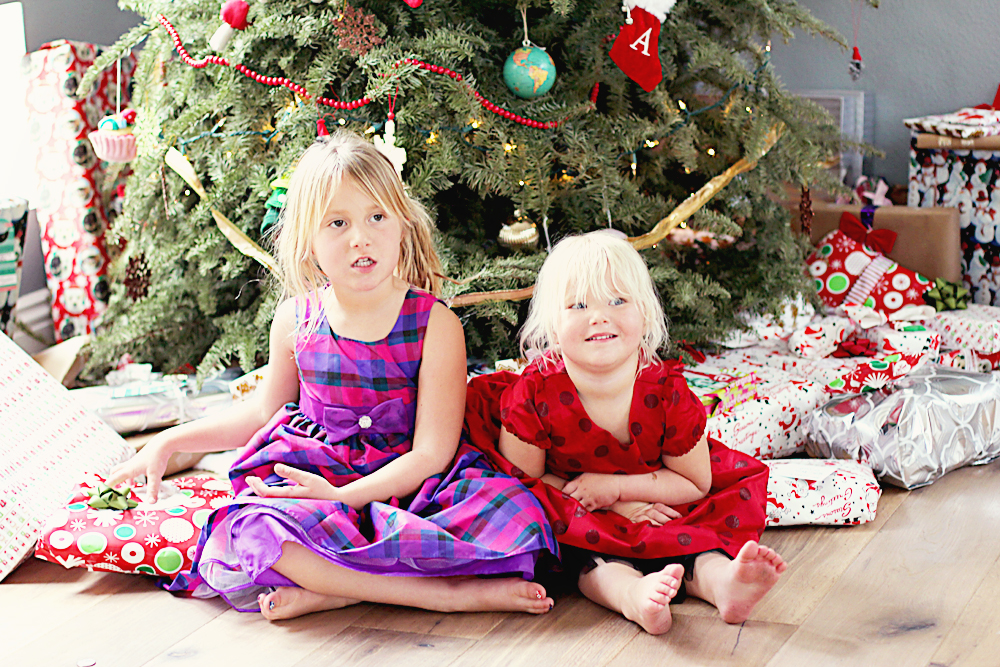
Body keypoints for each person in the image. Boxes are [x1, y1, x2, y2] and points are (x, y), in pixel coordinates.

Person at [106, 131, 557, 620]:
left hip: (411, 484)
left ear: (403, 224)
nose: (360, 238)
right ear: (308, 240)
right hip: (315, 476)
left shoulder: (435, 324)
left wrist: (344, 496)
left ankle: (338, 589)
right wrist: (168, 441)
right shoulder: (295, 320)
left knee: (518, 516)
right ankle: (436, 594)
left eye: (377, 217)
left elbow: (432, 453)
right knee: (254, 529)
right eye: (337, 223)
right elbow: (261, 413)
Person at [464, 231, 786, 635]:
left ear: (646, 315)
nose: (599, 316)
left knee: (692, 532)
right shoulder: (533, 395)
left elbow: (695, 482)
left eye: (617, 301)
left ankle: (722, 582)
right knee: (591, 560)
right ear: (552, 326)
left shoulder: (667, 393)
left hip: (659, 492)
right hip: (572, 503)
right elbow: (524, 481)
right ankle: (633, 596)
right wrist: (612, 505)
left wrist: (620, 489)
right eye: (578, 305)